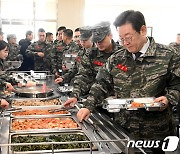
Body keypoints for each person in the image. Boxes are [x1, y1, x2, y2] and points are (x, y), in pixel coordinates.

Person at [74, 10, 180, 151]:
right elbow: (101, 83)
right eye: (121, 39)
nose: (125, 43)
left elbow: (177, 85)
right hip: (123, 129)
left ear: (142, 30)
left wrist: (169, 98)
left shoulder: (168, 56)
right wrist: (88, 105)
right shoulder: (117, 58)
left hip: (155, 133)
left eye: (128, 38)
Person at [64, 21, 122, 105]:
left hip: (117, 104)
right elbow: (83, 75)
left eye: (101, 40)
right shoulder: (91, 53)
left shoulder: (122, 54)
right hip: (94, 100)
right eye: (96, 41)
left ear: (110, 36)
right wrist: (75, 94)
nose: (98, 44)